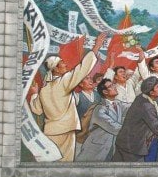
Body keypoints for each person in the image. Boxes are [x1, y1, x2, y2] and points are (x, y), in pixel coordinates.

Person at [28, 30, 109, 162]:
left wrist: (34, 94)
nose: (65, 64)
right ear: (55, 68)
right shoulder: (64, 81)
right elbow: (82, 68)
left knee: (51, 163)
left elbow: (36, 110)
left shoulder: (43, 90)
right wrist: (96, 46)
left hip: (50, 131)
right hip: (66, 130)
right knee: (65, 164)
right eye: (62, 63)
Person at [112, 76, 158, 162]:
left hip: (124, 143)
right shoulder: (146, 106)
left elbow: (153, 103)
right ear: (151, 93)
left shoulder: (141, 97)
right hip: (133, 148)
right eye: (157, 87)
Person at [75, 78, 124, 162]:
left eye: (113, 84)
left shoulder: (118, 104)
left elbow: (132, 107)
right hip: (96, 149)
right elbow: (113, 126)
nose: (114, 87)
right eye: (111, 86)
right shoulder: (99, 109)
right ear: (105, 92)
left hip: (110, 147)